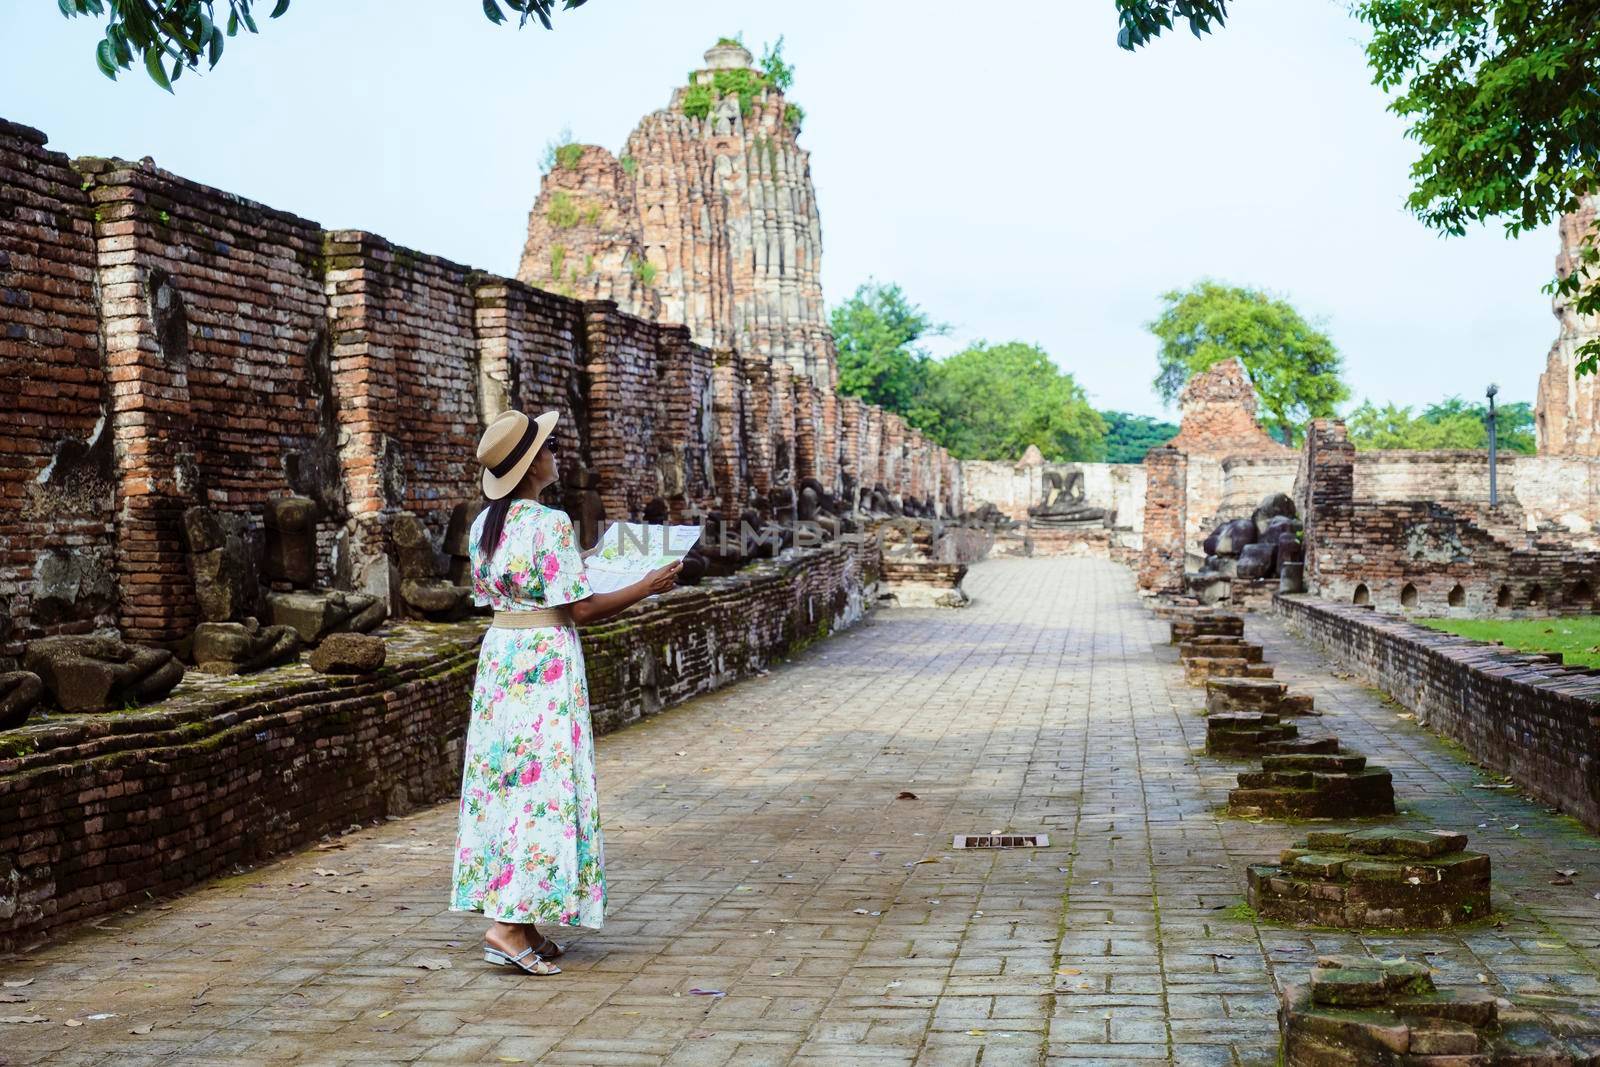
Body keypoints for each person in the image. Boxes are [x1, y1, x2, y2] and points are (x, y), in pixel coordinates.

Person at [451, 409, 681, 976]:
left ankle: (521, 918)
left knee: (504, 782)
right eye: (548, 449)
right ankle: (506, 925)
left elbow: (507, 592)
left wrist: (588, 568)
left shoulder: (484, 524)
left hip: (502, 656)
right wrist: (644, 587)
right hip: (545, 660)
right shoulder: (547, 523)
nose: (556, 456)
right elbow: (576, 608)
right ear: (531, 466)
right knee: (546, 783)